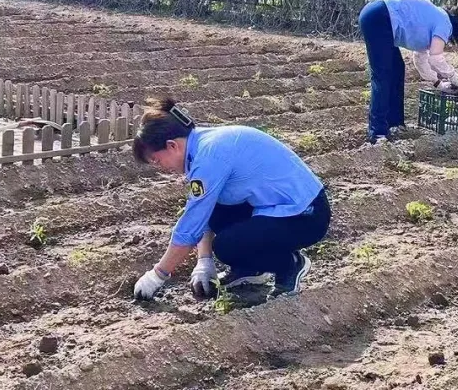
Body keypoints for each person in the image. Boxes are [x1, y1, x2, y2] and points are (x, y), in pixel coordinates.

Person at [131, 97, 331, 301]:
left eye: (156, 160)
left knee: (227, 246)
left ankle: (289, 264)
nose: (160, 167)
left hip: (306, 215)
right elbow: (204, 212)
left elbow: (190, 228)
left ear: (172, 146)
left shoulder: (209, 158)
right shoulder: (202, 144)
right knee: (218, 215)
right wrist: (204, 261)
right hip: (279, 206)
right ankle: (251, 269)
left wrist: (157, 275)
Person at [358, 0, 458, 144]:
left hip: (378, 14)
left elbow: (421, 60)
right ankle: (377, 132)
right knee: (383, 75)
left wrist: (438, 84)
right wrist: (454, 77)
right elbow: (436, 58)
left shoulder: (433, 18)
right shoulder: (445, 23)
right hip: (380, 16)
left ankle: (395, 123)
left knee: (397, 69)